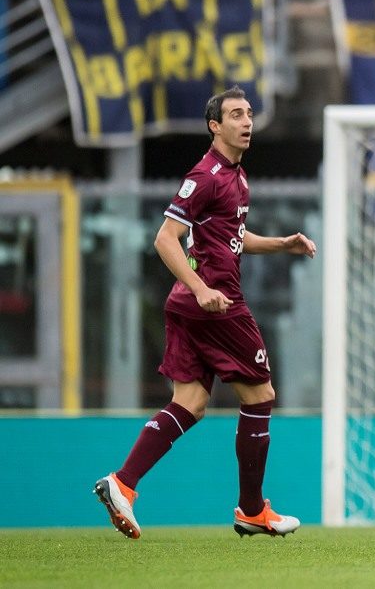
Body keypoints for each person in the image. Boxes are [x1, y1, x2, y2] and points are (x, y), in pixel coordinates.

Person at [94, 86, 317, 540]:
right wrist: (201, 289)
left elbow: (232, 236)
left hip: (191, 304)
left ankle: (123, 483)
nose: (247, 121)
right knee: (259, 397)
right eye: (236, 114)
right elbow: (165, 238)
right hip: (215, 303)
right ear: (215, 126)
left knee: (190, 403)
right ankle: (252, 510)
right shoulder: (207, 175)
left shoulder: (237, 175)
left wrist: (282, 243)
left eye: (250, 113)